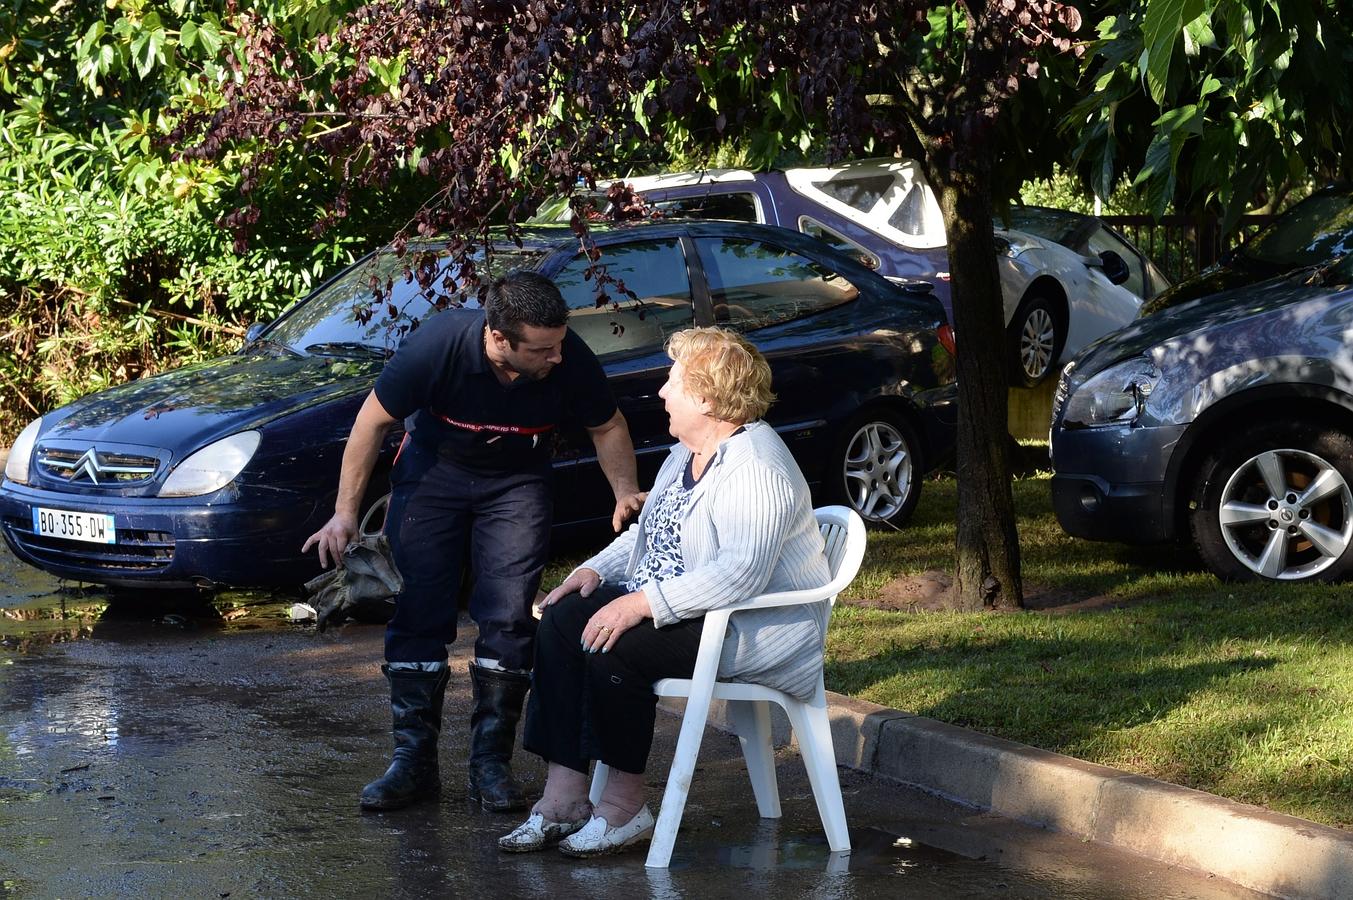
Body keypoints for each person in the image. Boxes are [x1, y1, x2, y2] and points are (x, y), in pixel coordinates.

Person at [302, 270, 645, 813]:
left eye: (559, 345)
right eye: (541, 349)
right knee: (418, 609)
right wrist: (345, 515)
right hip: (433, 476)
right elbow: (371, 424)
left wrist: (624, 488)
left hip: (518, 483)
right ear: (499, 337)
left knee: (508, 616)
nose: (556, 357)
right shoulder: (436, 346)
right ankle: (412, 765)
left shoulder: (565, 352)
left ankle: (491, 765)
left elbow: (608, 425)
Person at [497, 327, 831, 857]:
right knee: (563, 619)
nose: (660, 393)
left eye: (672, 382)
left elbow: (740, 572)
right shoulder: (686, 452)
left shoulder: (758, 468)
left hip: (754, 628)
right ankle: (563, 798)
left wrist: (640, 603)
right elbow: (650, 535)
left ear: (706, 397)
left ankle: (625, 807)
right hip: (695, 609)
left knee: (618, 647)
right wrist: (590, 571)